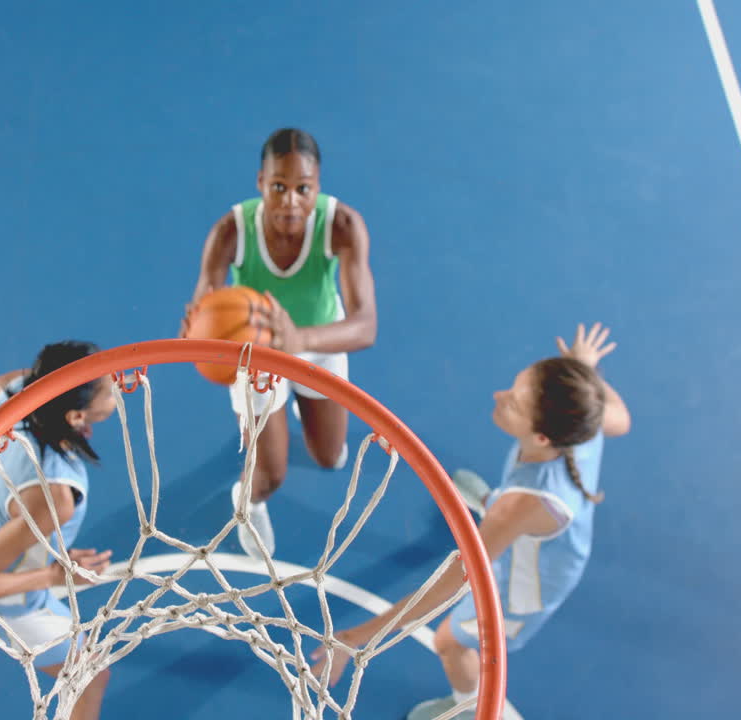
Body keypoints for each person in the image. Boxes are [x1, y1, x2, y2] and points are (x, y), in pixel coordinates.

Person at [311, 323, 632, 720]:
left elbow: (443, 590)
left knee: (449, 641)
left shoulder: (518, 508)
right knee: (504, 515)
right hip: (531, 519)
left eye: (513, 402)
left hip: (527, 583)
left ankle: (467, 708)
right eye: (514, 387)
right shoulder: (586, 420)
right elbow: (621, 417)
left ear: (544, 438)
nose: (499, 396)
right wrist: (585, 369)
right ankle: (491, 511)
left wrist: (356, 638)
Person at [181, 127, 379, 560]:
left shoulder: (342, 225)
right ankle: (247, 501)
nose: (290, 201)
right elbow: (205, 299)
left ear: (318, 188)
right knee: (270, 477)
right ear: (260, 183)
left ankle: (292, 412)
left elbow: (366, 326)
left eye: (302, 189)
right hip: (256, 353)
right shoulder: (230, 230)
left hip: (320, 338)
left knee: (328, 457)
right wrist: (200, 332)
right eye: (279, 187)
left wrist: (300, 339)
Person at [0, 341, 117, 720]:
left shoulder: (19, 389)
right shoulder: (54, 498)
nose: (118, 377)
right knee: (90, 676)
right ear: (77, 418)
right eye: (110, 388)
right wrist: (52, 576)